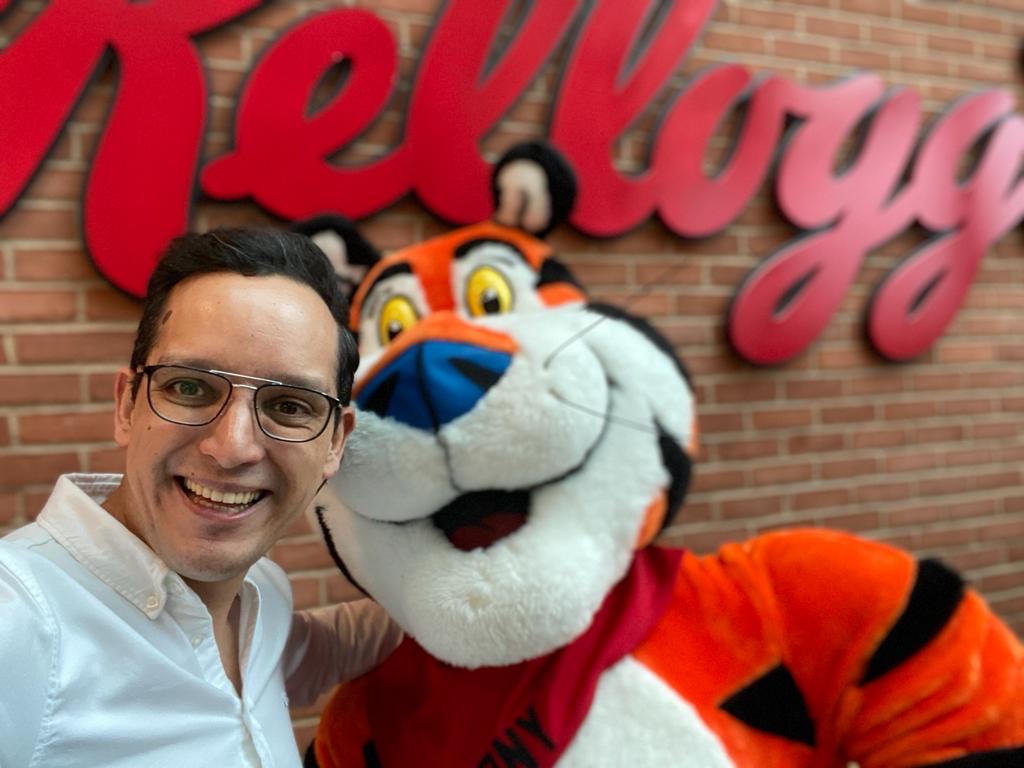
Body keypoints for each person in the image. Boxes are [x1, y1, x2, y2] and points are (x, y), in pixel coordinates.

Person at [0, 228, 402, 767]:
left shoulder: (261, 594)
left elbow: (331, 648)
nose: (232, 448)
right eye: (189, 387)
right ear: (127, 406)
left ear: (334, 443)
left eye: (289, 405)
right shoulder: (18, 624)